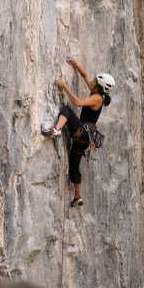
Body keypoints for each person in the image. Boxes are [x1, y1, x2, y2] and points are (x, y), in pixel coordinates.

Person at [41, 56, 114, 207]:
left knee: (67, 109)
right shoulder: (97, 91)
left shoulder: (97, 98)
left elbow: (78, 102)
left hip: (84, 133)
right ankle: (78, 196)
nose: (91, 81)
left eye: (95, 81)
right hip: (85, 139)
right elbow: (86, 76)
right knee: (74, 164)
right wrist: (76, 64)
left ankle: (56, 129)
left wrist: (65, 87)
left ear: (98, 86)